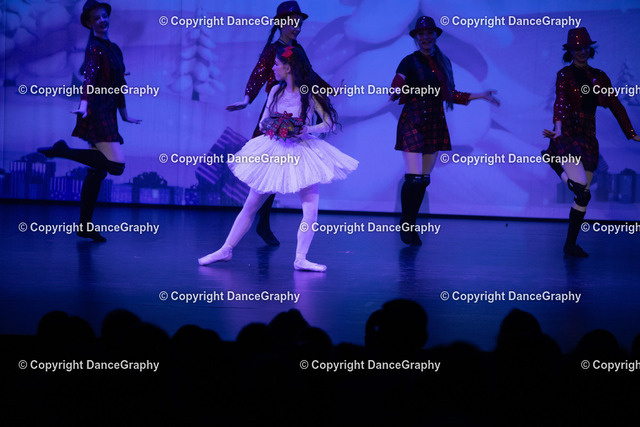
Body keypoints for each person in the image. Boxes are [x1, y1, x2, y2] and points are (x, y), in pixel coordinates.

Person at [199, 45, 357, 271]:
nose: (272, 68)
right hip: (274, 150)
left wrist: (306, 129)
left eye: (276, 64)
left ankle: (300, 258)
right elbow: (264, 122)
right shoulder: (275, 91)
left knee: (310, 209)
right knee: (251, 204)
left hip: (302, 151)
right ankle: (226, 249)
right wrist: (275, 126)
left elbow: (328, 124)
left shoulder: (310, 92)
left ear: (288, 67)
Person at [226, 1, 329, 246]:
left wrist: (327, 89)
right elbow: (259, 73)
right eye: (293, 23)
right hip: (277, 113)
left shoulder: (298, 50)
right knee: (268, 169)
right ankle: (258, 221)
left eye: (300, 24)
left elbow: (309, 75)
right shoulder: (273, 50)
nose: (297, 28)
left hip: (297, 111)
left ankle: (265, 223)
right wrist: (247, 98)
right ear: (281, 23)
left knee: (286, 170)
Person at [390, 16, 499, 246]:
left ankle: (411, 222)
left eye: (429, 33)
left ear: (435, 36)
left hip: (434, 124)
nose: (425, 37)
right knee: (414, 179)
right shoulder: (409, 61)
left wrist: (481, 95)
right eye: (421, 34)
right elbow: (397, 82)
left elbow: (449, 94)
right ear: (416, 38)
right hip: (412, 122)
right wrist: (396, 90)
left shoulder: (443, 63)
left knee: (424, 180)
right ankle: (407, 224)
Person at [38, 0, 140, 242]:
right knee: (116, 165)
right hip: (97, 110)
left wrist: (125, 114)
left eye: (104, 16)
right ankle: (62, 151)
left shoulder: (114, 49)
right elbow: (89, 80)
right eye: (96, 18)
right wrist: (83, 106)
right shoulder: (94, 48)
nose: (102, 20)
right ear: (89, 23)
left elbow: (119, 85)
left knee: (97, 172)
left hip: (109, 111)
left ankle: (84, 226)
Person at [543, 27, 639, 257]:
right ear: (570, 51)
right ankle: (554, 161)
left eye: (585, 47)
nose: (582, 51)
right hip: (568, 132)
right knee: (581, 188)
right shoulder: (564, 74)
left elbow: (615, 105)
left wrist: (631, 133)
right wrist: (557, 128)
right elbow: (560, 102)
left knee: (583, 194)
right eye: (577, 48)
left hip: (587, 135)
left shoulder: (600, 76)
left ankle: (570, 245)